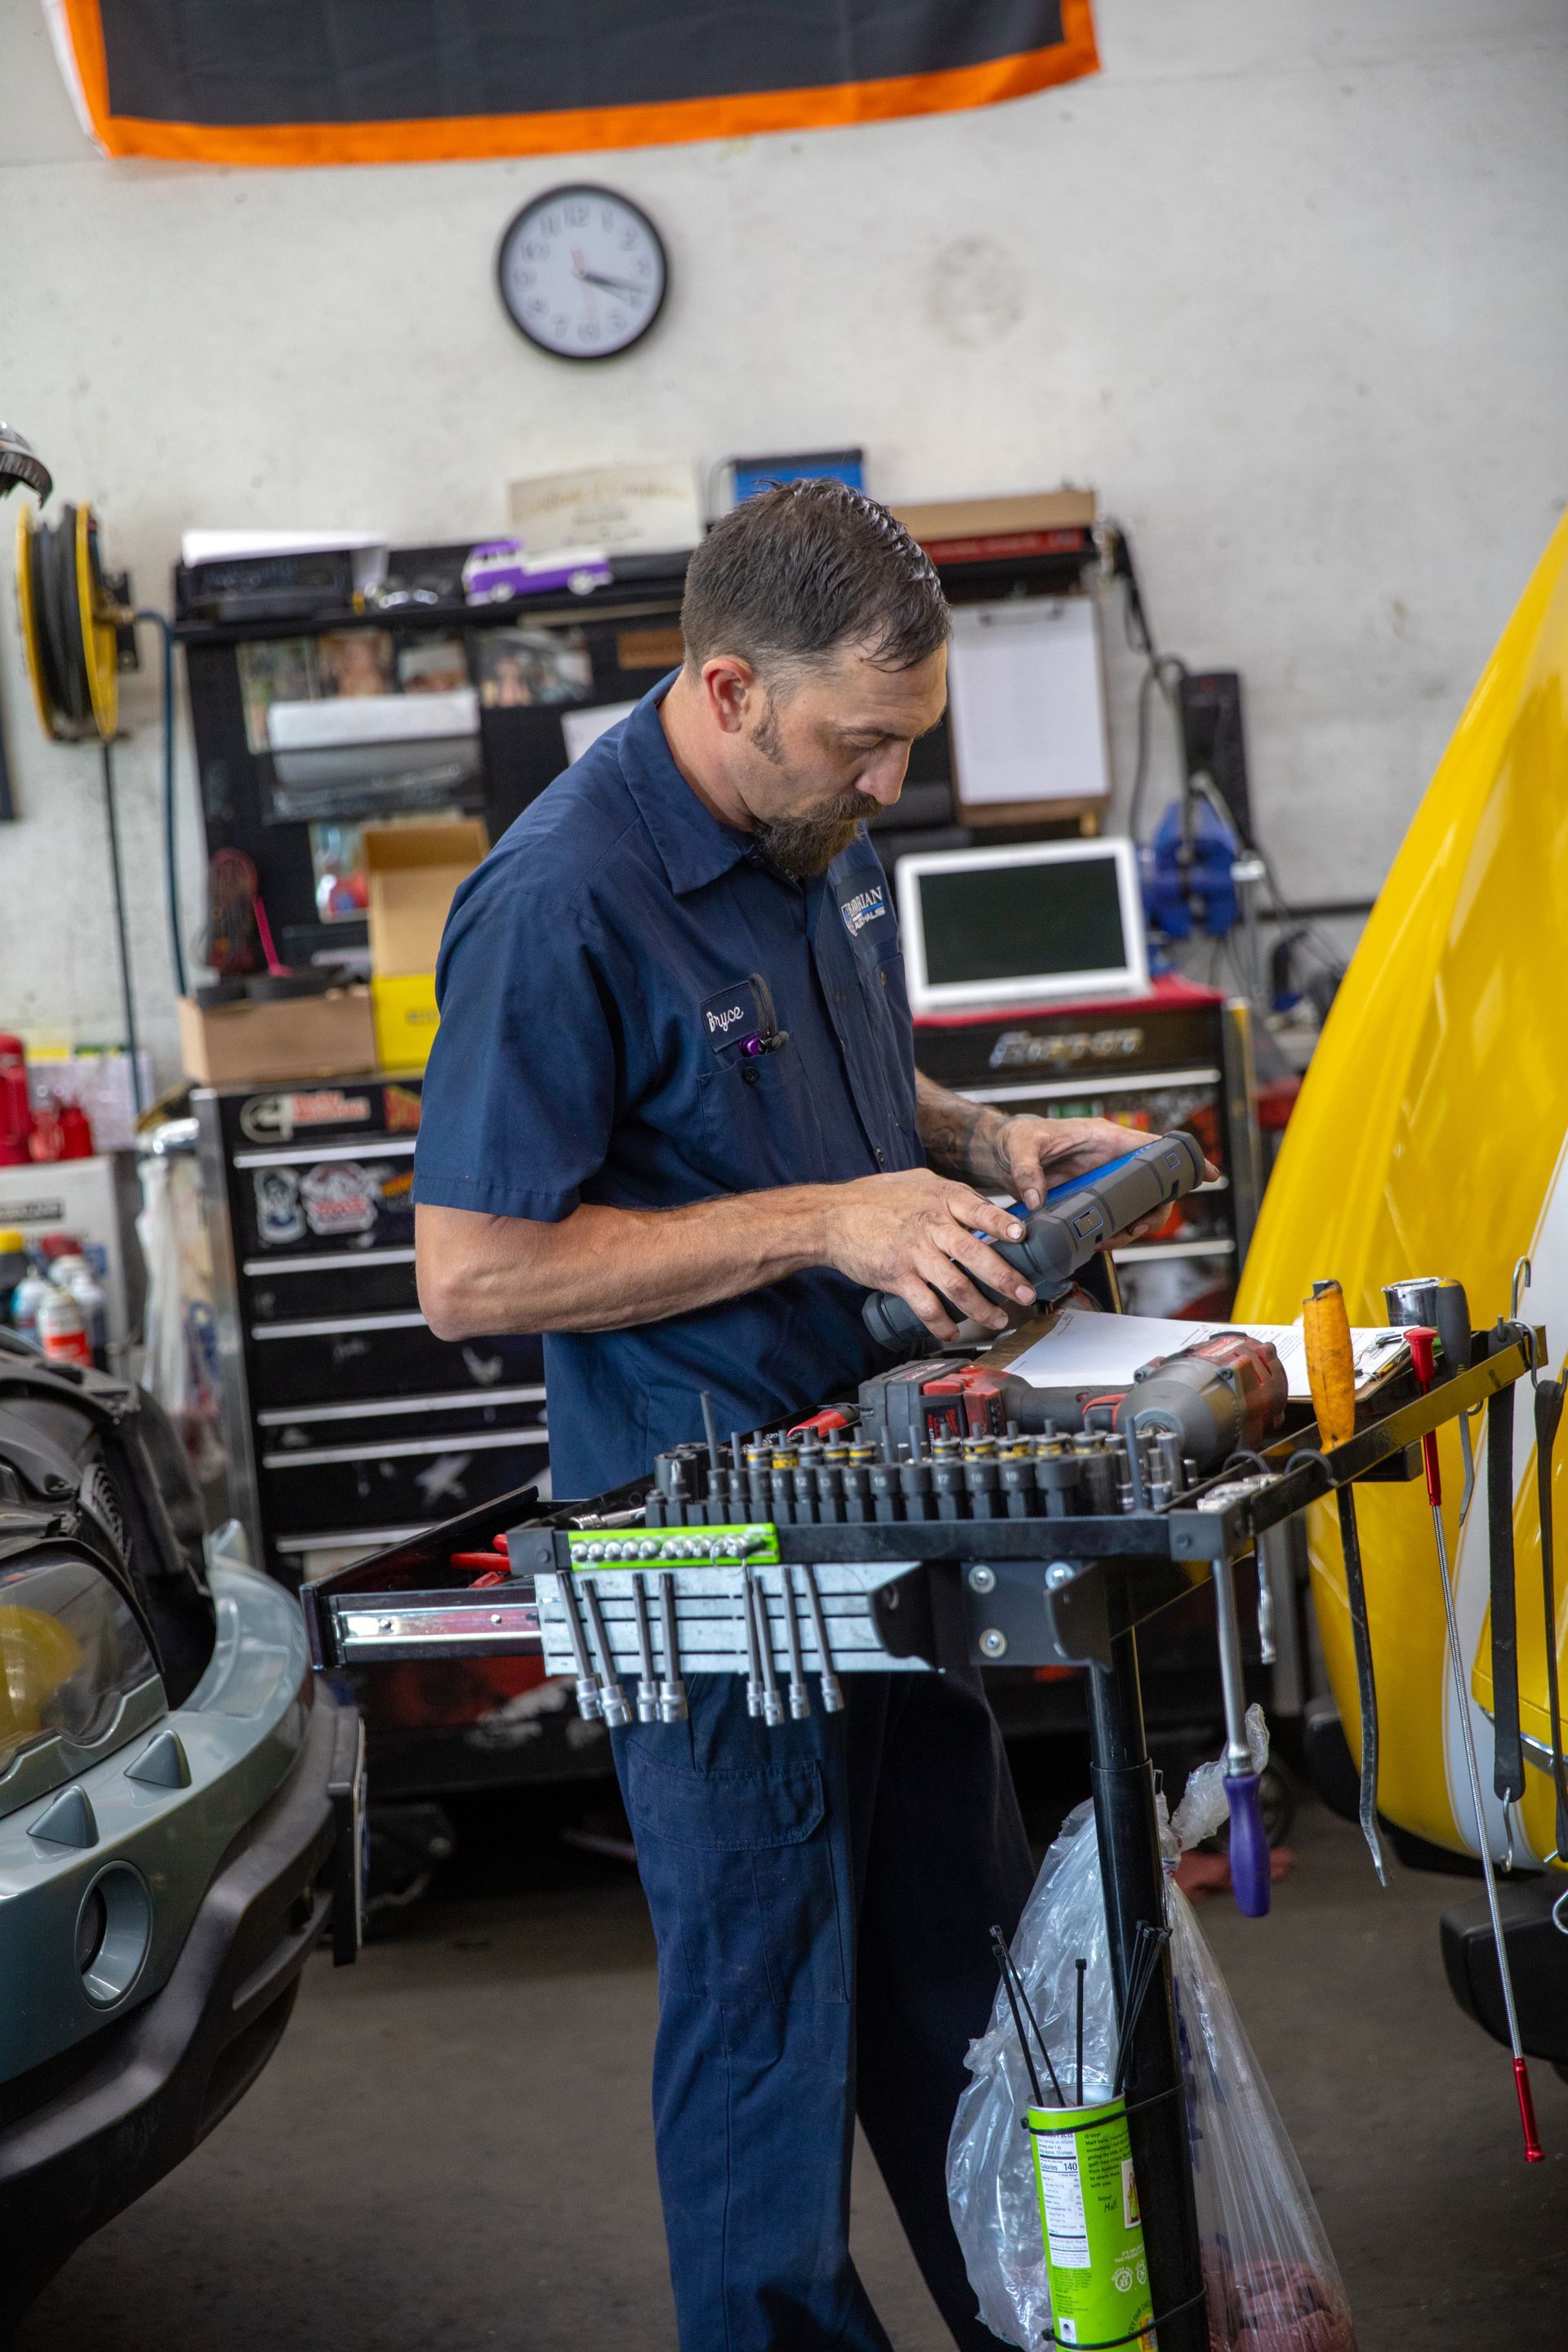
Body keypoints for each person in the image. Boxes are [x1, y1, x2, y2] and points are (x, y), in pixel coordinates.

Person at [413, 482, 1154, 2351]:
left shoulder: (803, 829)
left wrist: (974, 1140)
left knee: (968, 1992)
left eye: (909, 739)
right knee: (767, 2036)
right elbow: (474, 1272)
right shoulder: (559, 897)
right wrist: (833, 1221)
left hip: (882, 1515)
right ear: (731, 687)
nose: (887, 780)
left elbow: (801, 1069)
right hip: (713, 1562)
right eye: (862, 741)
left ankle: (1034, 2319)